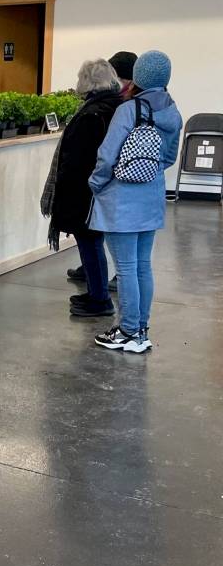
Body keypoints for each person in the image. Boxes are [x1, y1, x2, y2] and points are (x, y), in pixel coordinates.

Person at [89, 50, 182, 354]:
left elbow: (107, 155)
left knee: (126, 267)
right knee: (143, 266)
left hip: (121, 201)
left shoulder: (129, 110)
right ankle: (141, 330)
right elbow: (168, 158)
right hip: (152, 199)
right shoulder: (172, 111)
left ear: (139, 76)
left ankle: (128, 331)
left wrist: (96, 182)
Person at [45, 60, 123, 318]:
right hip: (107, 190)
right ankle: (97, 293)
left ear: (87, 81)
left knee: (89, 243)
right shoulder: (117, 107)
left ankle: (99, 299)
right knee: (94, 242)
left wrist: (65, 196)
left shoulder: (92, 114)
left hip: (86, 192)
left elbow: (79, 160)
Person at [65, 50, 137, 287]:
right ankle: (94, 274)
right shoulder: (120, 104)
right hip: (116, 184)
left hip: (105, 184)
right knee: (96, 237)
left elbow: (100, 155)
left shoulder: (107, 110)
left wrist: (94, 182)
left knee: (94, 237)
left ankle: (103, 293)